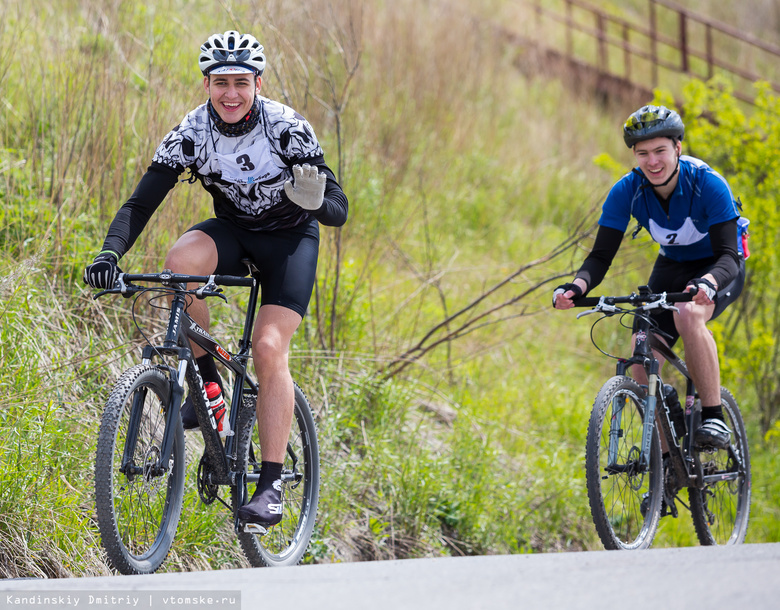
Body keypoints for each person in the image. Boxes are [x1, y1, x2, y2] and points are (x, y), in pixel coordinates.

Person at [84, 30, 348, 525]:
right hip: (234, 231)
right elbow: (141, 204)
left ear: (258, 83)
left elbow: (339, 209)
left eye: (241, 83)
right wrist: (109, 253)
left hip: (289, 241)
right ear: (206, 84)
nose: (231, 93)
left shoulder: (286, 128)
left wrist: (315, 202)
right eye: (221, 82)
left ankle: (270, 484)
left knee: (269, 349)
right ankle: (209, 389)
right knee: (179, 263)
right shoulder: (191, 132)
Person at [552, 104, 745, 450]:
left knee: (688, 315)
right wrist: (575, 287)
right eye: (643, 154)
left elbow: (729, 255)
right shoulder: (627, 190)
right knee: (640, 359)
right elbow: (600, 255)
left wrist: (708, 283)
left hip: (718, 267)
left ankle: (713, 416)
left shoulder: (707, 184)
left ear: (678, 148)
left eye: (660, 151)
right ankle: (668, 462)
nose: (652, 162)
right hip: (671, 266)